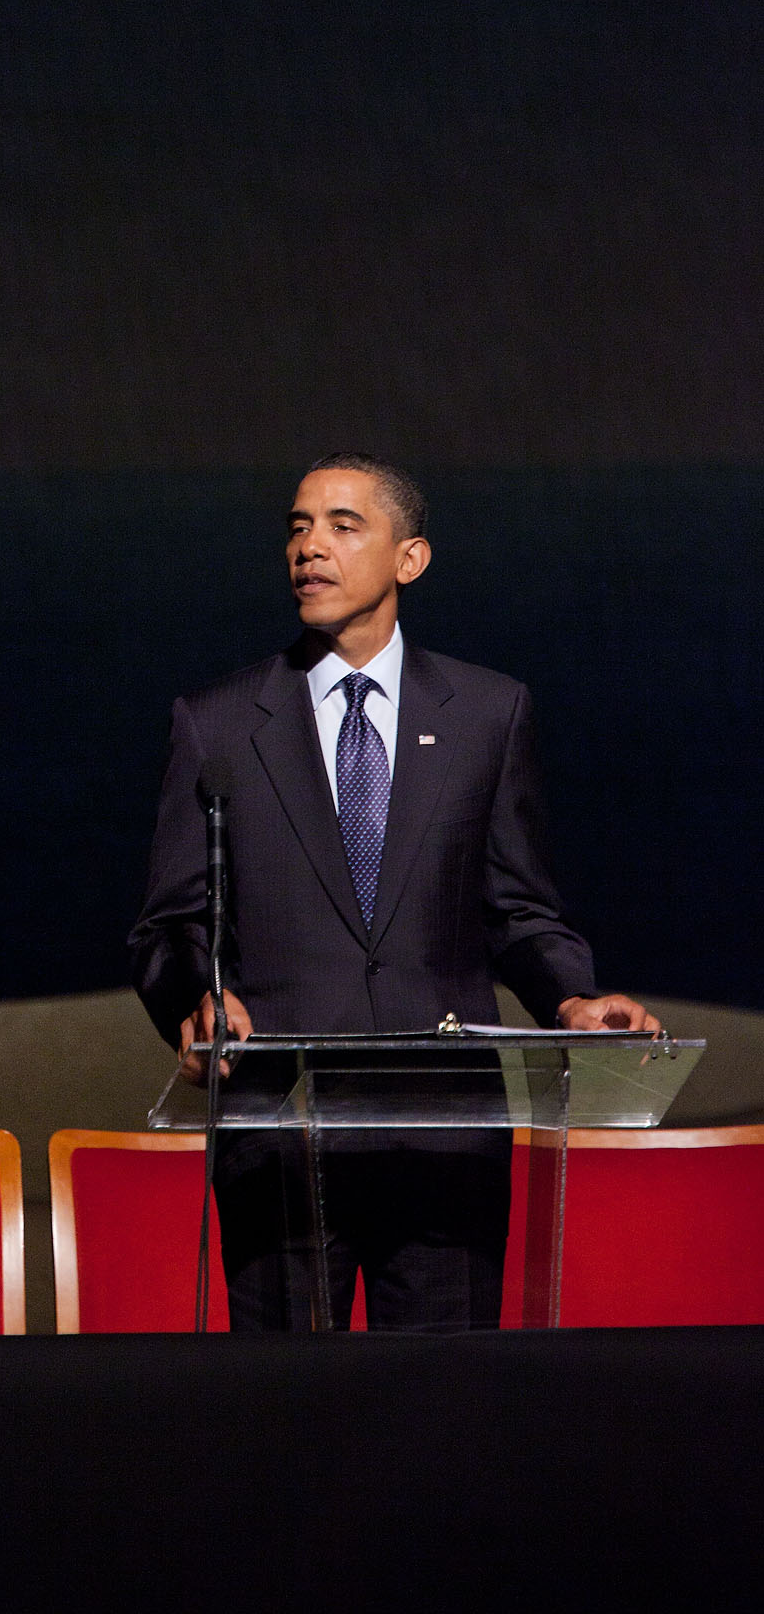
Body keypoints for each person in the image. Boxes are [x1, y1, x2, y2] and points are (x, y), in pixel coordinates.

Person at [129, 451, 659, 1332]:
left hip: (443, 1138)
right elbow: (168, 927)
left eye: (342, 525)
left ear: (409, 558)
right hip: (282, 1141)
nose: (309, 548)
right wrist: (197, 999)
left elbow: (519, 908)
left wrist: (570, 997)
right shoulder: (219, 722)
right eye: (298, 527)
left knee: (443, 1426)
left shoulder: (489, 714)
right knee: (289, 1427)